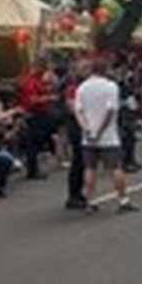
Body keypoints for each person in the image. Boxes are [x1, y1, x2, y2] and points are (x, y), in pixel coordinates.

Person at [75, 54, 138, 214]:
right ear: (105, 70)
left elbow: (78, 111)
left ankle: (89, 201)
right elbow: (110, 111)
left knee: (90, 168)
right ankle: (123, 200)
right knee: (116, 168)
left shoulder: (82, 88)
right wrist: (99, 131)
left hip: (88, 137)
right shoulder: (111, 87)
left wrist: (87, 129)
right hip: (108, 136)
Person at [18, 56, 58, 179]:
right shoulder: (31, 81)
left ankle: (34, 168)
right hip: (35, 114)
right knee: (33, 143)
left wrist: (48, 89)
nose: (44, 71)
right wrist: (49, 98)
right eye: (43, 68)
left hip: (40, 114)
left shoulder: (37, 80)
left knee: (36, 142)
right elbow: (32, 100)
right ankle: (32, 170)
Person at [62, 58, 89, 210]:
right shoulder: (72, 87)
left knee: (84, 162)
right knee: (78, 161)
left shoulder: (85, 86)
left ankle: (79, 193)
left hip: (85, 125)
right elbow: (71, 107)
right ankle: (73, 195)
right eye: (84, 68)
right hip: (76, 126)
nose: (87, 71)